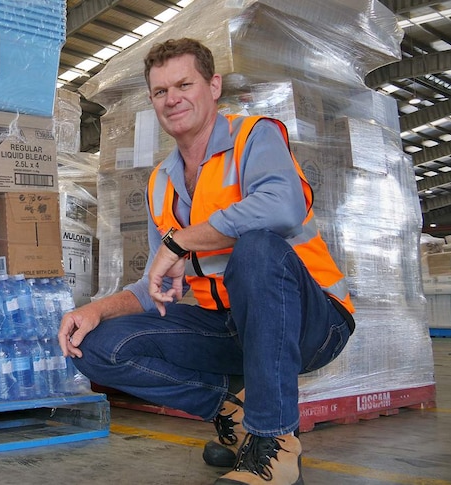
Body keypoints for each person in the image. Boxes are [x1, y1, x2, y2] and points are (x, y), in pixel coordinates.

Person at [57, 38, 356, 485]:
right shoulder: (161, 181)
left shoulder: (255, 136)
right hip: (231, 326)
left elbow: (282, 207)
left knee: (257, 246)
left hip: (313, 323)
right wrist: (94, 310)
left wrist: (180, 243)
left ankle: (274, 443)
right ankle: (233, 414)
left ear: (213, 86)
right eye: (160, 91)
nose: (172, 99)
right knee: (95, 344)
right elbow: (153, 286)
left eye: (184, 84)